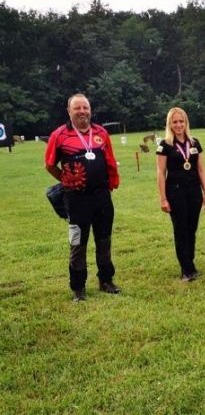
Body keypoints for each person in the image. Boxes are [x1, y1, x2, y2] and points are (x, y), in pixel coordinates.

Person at [44, 93, 121, 302]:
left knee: (104, 239)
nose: (82, 112)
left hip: (102, 196)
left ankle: (106, 280)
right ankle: (78, 287)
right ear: (69, 112)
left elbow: (110, 161)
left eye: (85, 108)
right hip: (76, 199)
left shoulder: (101, 133)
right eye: (77, 108)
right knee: (78, 242)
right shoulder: (59, 135)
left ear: (90, 110)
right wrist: (66, 179)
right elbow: (49, 164)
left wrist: (113, 182)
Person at [156, 107, 205, 281]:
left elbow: (201, 169)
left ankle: (190, 263)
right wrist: (163, 198)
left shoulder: (194, 143)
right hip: (175, 192)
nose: (178, 125)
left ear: (186, 122)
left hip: (194, 191)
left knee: (191, 228)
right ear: (170, 124)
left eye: (181, 121)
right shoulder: (165, 145)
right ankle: (186, 269)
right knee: (180, 230)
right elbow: (160, 172)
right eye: (175, 122)